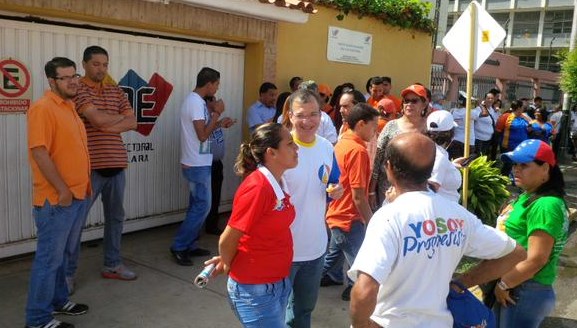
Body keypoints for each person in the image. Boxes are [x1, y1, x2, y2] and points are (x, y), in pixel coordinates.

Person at [348, 132, 527, 328]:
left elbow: (364, 290)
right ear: (431, 169)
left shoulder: (388, 218)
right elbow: (516, 253)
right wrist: (462, 282)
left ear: (389, 167)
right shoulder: (459, 216)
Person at [205, 123, 298, 327]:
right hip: (255, 290)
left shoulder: (278, 181)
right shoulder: (257, 187)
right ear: (271, 153)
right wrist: (229, 264)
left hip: (277, 283)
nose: (296, 148)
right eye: (290, 144)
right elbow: (227, 239)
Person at [25, 57, 91, 328]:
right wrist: (62, 190)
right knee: (48, 261)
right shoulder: (43, 108)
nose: (73, 81)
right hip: (56, 201)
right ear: (52, 81)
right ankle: (38, 320)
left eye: (74, 75)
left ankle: (59, 301)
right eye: (65, 77)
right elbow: (39, 151)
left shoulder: (69, 107)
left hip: (77, 196)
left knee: (64, 255)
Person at [68, 46, 138, 289]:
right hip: (90, 167)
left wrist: (105, 123)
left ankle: (112, 264)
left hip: (116, 164)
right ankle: (67, 275)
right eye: (96, 64)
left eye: (105, 64)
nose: (101, 69)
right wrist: (111, 120)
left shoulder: (115, 89)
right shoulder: (79, 89)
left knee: (116, 218)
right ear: (85, 64)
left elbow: (133, 121)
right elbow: (96, 120)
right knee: (76, 222)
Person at [283, 89, 343, 328]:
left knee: (304, 311)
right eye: (300, 115)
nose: (307, 122)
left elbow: (332, 184)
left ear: (321, 115)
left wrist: (336, 191)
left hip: (316, 249)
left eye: (313, 114)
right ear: (290, 115)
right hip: (283, 249)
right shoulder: (280, 148)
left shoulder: (327, 147)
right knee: (278, 313)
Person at [494, 139, 569, 327]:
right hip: (518, 285)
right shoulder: (529, 195)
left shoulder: (546, 204)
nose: (516, 169)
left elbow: (537, 259)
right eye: (515, 164)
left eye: (524, 165)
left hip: (524, 288)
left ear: (545, 169)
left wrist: (504, 283)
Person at [170, 67, 234, 266]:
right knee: (202, 207)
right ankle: (179, 246)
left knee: (196, 206)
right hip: (196, 164)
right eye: (216, 85)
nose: (217, 89)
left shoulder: (195, 102)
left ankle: (190, 244)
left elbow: (203, 130)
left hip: (198, 161)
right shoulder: (196, 103)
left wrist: (219, 122)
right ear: (209, 84)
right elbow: (202, 135)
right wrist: (216, 112)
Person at [321, 103, 379, 302]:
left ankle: (328, 276)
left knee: (332, 257)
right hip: (348, 217)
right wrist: (371, 221)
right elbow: (358, 195)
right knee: (362, 265)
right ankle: (355, 290)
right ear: (361, 124)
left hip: (337, 214)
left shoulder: (342, 142)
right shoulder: (358, 151)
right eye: (374, 126)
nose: (375, 131)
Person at [369, 84, 428, 209]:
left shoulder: (429, 128)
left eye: (414, 101)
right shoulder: (391, 126)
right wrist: (371, 190)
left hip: (418, 189)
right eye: (406, 101)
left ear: (424, 104)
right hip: (388, 188)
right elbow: (377, 158)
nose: (409, 104)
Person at [203, 96, 237, 235]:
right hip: (207, 163)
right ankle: (207, 225)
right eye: (214, 100)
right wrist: (218, 123)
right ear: (208, 102)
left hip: (217, 162)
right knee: (207, 197)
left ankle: (212, 224)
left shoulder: (213, 118)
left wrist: (222, 123)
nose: (217, 103)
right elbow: (203, 132)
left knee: (215, 195)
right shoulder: (205, 117)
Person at [426, 110, 462, 202]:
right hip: (440, 211)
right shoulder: (439, 156)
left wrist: (451, 165)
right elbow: (431, 189)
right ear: (450, 134)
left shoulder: (428, 149)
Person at [495, 100, 531, 176]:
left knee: (519, 165)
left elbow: (531, 126)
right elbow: (498, 131)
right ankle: (503, 180)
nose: (523, 108)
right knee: (508, 165)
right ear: (518, 108)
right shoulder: (506, 116)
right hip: (508, 147)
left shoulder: (524, 117)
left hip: (521, 147)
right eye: (522, 107)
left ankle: (515, 180)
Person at [448, 91, 480, 159]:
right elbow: (482, 114)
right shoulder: (470, 112)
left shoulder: (452, 111)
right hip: (468, 142)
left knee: (455, 162)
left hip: (455, 140)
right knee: (466, 164)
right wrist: (478, 104)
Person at [474, 92, 500, 158]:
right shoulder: (479, 109)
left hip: (488, 139)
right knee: (478, 158)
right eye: (488, 98)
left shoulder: (492, 110)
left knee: (484, 158)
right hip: (479, 139)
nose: (490, 100)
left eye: (492, 98)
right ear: (484, 99)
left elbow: (494, 121)